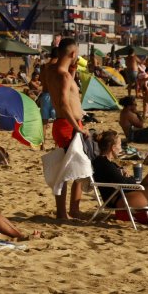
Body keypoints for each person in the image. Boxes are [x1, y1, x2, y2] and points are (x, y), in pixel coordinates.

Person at [46, 38, 90, 220]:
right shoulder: (63, 75)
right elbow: (64, 104)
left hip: (63, 123)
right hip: (68, 124)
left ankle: (68, 210)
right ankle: (66, 212)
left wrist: (72, 71)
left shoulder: (50, 70)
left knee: (70, 167)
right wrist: (77, 128)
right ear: (73, 54)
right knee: (75, 168)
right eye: (77, 54)